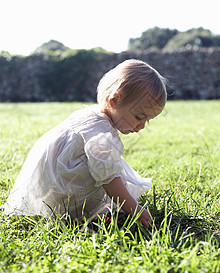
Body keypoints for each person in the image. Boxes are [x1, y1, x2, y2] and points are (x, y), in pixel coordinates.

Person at [4, 59, 167, 228]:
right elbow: (109, 180)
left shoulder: (90, 115)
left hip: (51, 185)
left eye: (147, 121)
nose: (141, 126)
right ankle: (78, 213)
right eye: (139, 117)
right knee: (112, 176)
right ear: (114, 101)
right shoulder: (100, 135)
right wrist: (134, 209)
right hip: (67, 190)